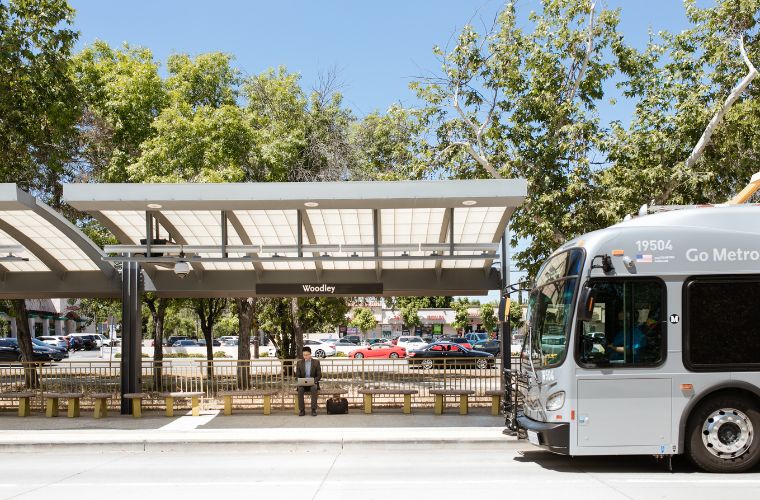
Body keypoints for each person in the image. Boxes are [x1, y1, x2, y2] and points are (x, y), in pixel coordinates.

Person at [295, 346, 322, 416]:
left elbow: (319, 375)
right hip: (303, 383)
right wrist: (300, 380)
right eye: (304, 355)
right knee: (300, 389)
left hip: (312, 383)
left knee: (314, 388)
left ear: (310, 354)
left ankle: (313, 409)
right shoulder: (299, 363)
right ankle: (302, 410)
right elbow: (297, 375)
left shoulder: (316, 362)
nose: (305, 356)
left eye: (307, 355)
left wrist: (313, 381)